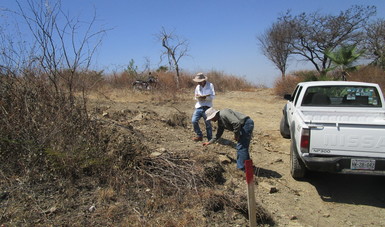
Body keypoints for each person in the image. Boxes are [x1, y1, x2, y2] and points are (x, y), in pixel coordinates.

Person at [191, 72, 215, 142]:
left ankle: (209, 139)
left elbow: (213, 96)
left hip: (207, 107)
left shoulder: (210, 85)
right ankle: (199, 135)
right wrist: (198, 97)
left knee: (208, 124)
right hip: (199, 106)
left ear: (204, 80)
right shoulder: (197, 87)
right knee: (194, 121)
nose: (198, 83)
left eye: (200, 81)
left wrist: (205, 98)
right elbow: (195, 97)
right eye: (197, 82)